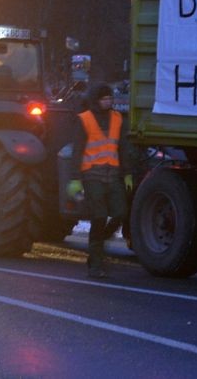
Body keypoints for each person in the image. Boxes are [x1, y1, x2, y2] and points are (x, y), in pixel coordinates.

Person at [67, 82, 137, 278]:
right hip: (92, 176)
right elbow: (78, 151)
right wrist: (75, 178)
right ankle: (95, 264)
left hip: (113, 175)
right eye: (104, 98)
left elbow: (122, 147)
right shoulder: (85, 119)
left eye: (110, 98)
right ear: (96, 100)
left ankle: (96, 245)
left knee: (120, 213)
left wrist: (127, 173)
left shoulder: (117, 118)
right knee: (98, 217)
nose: (108, 102)